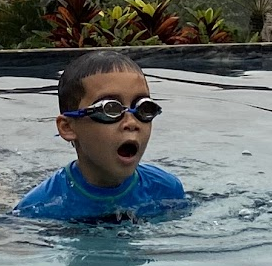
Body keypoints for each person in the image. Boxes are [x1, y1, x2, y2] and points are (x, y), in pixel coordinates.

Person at [11, 49, 189, 222]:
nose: (131, 122)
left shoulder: (167, 191)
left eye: (144, 108)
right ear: (68, 127)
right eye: (109, 109)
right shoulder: (39, 209)